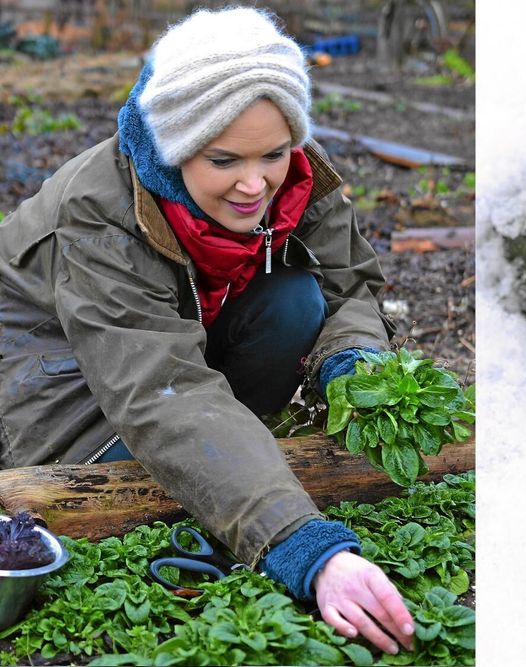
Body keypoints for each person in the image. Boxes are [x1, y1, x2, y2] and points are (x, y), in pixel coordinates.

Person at [0, 6, 415, 656]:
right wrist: (298, 540)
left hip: (183, 339)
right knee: (142, 479)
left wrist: (354, 360)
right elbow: (161, 391)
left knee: (296, 301)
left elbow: (348, 286)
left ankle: (233, 457)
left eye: (273, 153)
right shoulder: (97, 213)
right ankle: (232, 469)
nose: (255, 183)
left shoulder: (297, 171)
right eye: (224, 160)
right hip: (58, 371)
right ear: (174, 147)